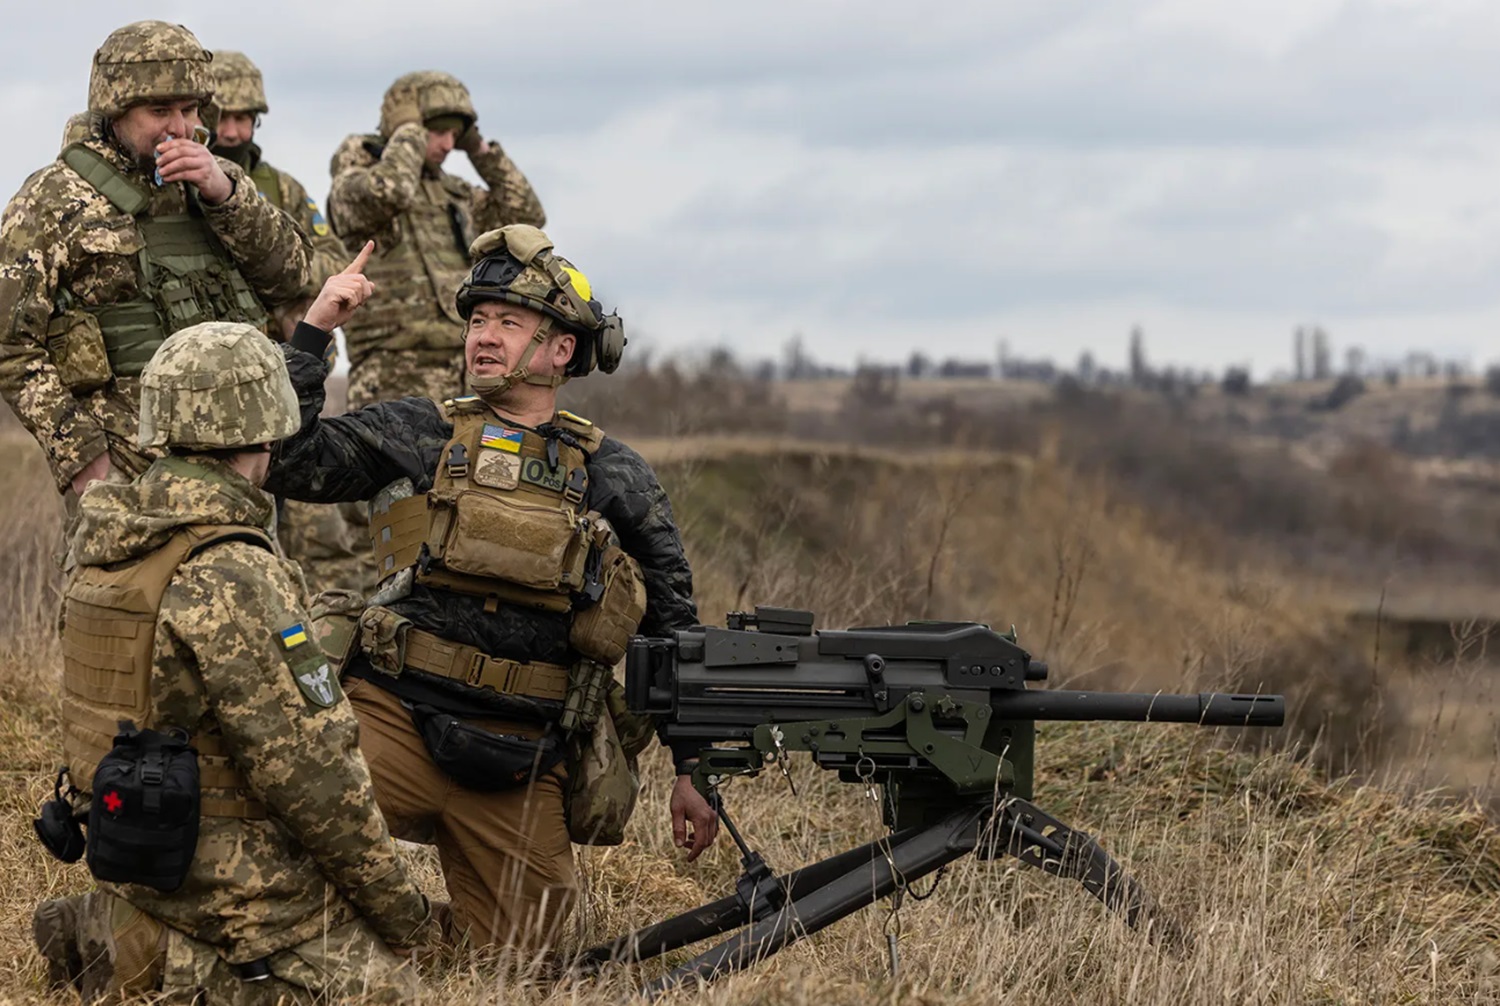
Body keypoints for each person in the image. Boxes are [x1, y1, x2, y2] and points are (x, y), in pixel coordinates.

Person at [265, 224, 718, 951]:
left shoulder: (615, 475)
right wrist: (315, 331)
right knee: (268, 849)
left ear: (562, 348)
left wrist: (692, 767)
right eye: (478, 320)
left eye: (510, 322)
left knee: (531, 961)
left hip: (521, 757)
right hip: (391, 723)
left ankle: (397, 935)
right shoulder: (422, 431)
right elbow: (286, 461)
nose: (484, 336)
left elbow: (673, 626)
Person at [31, 255, 435, 1004]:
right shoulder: (229, 566)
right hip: (221, 879)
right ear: (265, 425)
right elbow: (316, 776)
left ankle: (129, 927)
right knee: (399, 994)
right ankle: (165, 961)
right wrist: (400, 913)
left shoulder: (108, 532)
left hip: (129, 847)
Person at [0, 21, 311, 504]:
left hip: (239, 465)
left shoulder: (215, 185)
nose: (180, 128)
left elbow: (292, 277)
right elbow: (10, 344)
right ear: (116, 110)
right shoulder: (52, 200)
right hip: (130, 474)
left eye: (189, 110)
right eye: (159, 110)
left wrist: (225, 195)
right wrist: (81, 454)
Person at [206, 48, 369, 595]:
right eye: (222, 117)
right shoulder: (182, 188)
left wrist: (275, 263)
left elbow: (329, 265)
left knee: (321, 536)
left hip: (288, 384)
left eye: (242, 118)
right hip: (216, 391)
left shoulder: (284, 192)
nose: (231, 130)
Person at [327, 71, 546, 408]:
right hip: (392, 371)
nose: (448, 145)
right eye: (438, 131)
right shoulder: (361, 176)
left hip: (464, 368)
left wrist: (478, 148)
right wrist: (409, 130)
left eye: (455, 135)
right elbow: (391, 191)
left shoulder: (453, 193)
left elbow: (527, 216)